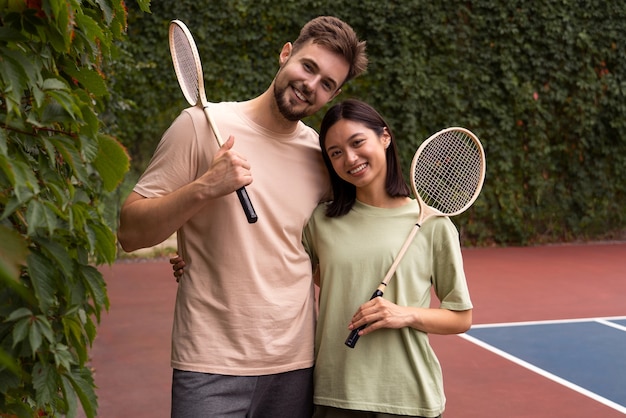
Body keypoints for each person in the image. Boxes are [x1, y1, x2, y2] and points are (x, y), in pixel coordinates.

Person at [118, 16, 368, 418]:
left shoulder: (322, 158)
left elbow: (327, 254)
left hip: (296, 365)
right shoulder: (199, 126)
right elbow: (129, 232)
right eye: (308, 66)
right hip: (209, 363)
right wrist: (205, 187)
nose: (311, 85)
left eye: (327, 84)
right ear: (286, 54)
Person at [173, 99, 474, 417]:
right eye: (336, 153)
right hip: (334, 395)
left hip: (406, 397)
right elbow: (278, 261)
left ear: (384, 137)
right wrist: (200, 260)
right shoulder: (320, 222)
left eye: (358, 142)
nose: (351, 158)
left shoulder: (433, 225)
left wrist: (405, 315)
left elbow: (460, 316)